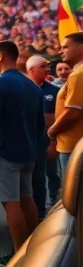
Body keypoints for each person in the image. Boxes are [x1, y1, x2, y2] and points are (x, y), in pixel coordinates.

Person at [0, 40, 47, 261]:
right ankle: (32, 249)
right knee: (26, 198)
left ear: (1, 57)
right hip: (29, 151)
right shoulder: (32, 85)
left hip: (6, 151)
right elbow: (41, 124)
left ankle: (19, 257)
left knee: (11, 204)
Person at [26, 55, 61, 216]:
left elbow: (58, 118)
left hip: (45, 141)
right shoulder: (22, 89)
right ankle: (27, 212)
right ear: (31, 70)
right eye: (43, 66)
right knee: (26, 177)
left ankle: (44, 209)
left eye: (48, 66)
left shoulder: (55, 91)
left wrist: (52, 142)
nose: (48, 69)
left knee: (46, 175)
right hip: (25, 140)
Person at [49, 32, 83, 177]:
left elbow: (73, 113)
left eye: (65, 47)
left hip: (73, 146)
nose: (60, 51)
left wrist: (51, 131)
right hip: (75, 145)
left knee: (73, 196)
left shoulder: (78, 75)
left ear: (80, 49)